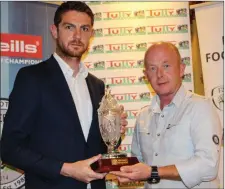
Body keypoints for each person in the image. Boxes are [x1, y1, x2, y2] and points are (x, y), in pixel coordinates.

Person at [1, 2, 128, 189]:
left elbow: (95, 148)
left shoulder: (97, 85)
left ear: (91, 35)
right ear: (54, 31)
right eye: (69, 27)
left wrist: (115, 133)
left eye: (84, 29)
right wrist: (65, 169)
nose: (77, 36)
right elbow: (10, 149)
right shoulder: (32, 78)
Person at [110, 42, 222, 188]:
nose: (160, 74)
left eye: (166, 66)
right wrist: (113, 140)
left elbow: (208, 165)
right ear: (146, 76)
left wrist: (154, 172)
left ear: (181, 69)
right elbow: (139, 164)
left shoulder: (200, 108)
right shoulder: (143, 116)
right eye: (152, 68)